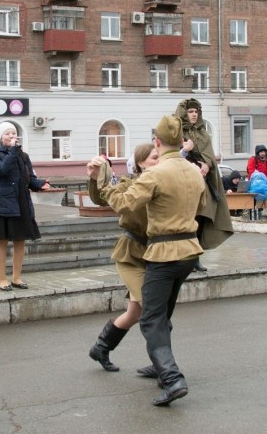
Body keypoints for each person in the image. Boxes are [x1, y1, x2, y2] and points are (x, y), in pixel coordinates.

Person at [91, 115, 206, 406]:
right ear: (182, 141)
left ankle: (172, 378)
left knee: (151, 318)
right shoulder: (194, 171)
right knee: (159, 314)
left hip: (163, 253)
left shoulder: (156, 174)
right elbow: (201, 206)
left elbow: (123, 203)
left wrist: (105, 183)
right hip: (189, 253)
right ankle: (151, 364)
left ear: (158, 141)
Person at [84, 142, 158, 372]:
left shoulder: (165, 181)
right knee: (152, 309)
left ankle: (101, 347)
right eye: (155, 157)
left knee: (134, 313)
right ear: (140, 162)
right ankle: (162, 364)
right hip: (131, 253)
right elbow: (102, 197)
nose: (160, 161)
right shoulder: (129, 183)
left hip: (155, 254)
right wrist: (95, 177)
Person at [0, 121, 51, 292]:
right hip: (4, 203)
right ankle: (2, 279)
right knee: (2, 241)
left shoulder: (24, 156)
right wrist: (13, 152)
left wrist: (40, 184)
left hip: (21, 202)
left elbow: (29, 177)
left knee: (20, 240)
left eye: (14, 133)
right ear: (0, 137)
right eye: (7, 133)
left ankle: (16, 277)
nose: (12, 136)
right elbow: (0, 171)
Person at [174, 98, 234, 271]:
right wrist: (185, 151)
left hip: (203, 183)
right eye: (190, 112)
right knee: (186, 220)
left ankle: (195, 257)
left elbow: (209, 155)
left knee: (201, 218)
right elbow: (169, 156)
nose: (194, 115)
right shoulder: (175, 131)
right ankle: (183, 257)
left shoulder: (203, 133)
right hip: (183, 183)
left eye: (196, 112)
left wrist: (207, 165)